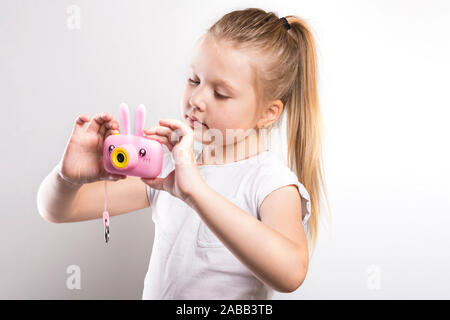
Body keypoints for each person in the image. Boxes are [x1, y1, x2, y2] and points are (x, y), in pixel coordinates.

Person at [37, 8, 328, 299]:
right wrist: (67, 177)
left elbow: (291, 274)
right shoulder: (168, 165)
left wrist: (195, 192)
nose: (197, 99)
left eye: (221, 93)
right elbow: (58, 210)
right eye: (194, 80)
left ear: (268, 112)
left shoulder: (270, 183)